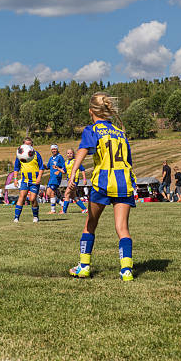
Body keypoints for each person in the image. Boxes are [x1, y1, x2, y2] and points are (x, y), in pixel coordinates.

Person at [67, 92, 137, 281]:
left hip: (103, 183)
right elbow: (129, 161)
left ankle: (83, 266)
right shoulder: (120, 132)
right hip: (123, 183)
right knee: (122, 228)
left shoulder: (92, 129)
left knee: (90, 224)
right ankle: (126, 271)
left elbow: (82, 151)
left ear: (91, 111)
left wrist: (72, 176)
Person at [13, 137, 45, 223]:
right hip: (25, 180)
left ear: (32, 145)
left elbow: (41, 167)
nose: (28, 146)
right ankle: (16, 218)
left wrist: (39, 177)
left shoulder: (36, 154)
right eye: (26, 144)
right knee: (21, 197)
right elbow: (16, 168)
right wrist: (15, 180)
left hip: (34, 181)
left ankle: (35, 216)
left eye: (29, 144)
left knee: (32, 199)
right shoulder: (20, 155)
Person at [60, 148, 88, 214]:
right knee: (73, 196)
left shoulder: (76, 161)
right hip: (69, 181)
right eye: (68, 153)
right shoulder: (66, 162)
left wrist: (84, 179)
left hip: (74, 180)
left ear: (73, 154)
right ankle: (85, 209)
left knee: (66, 194)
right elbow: (64, 171)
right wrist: (58, 169)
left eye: (71, 153)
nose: (69, 155)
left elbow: (82, 169)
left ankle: (64, 211)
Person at [45, 144, 66, 214]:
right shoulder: (51, 158)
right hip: (51, 178)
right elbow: (48, 167)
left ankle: (53, 210)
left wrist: (58, 170)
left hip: (56, 178)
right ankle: (62, 204)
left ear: (57, 150)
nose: (54, 150)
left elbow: (64, 167)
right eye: (52, 149)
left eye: (55, 149)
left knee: (51, 192)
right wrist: (42, 165)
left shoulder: (60, 157)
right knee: (48, 193)